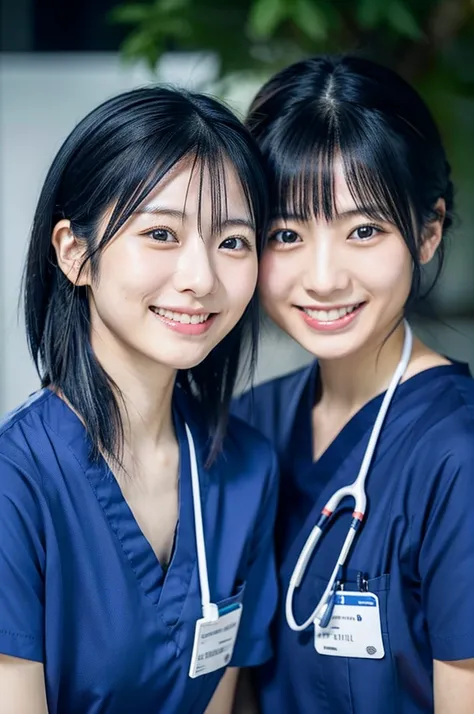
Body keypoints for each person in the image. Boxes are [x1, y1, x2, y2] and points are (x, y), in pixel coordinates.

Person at [0, 86, 278, 714]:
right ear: (76, 254)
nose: (201, 277)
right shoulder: (15, 482)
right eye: (160, 233)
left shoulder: (245, 468)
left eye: (232, 241)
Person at [233, 55, 474, 713]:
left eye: (363, 230)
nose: (324, 276)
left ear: (427, 232)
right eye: (286, 232)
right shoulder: (250, 425)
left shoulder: (456, 452)